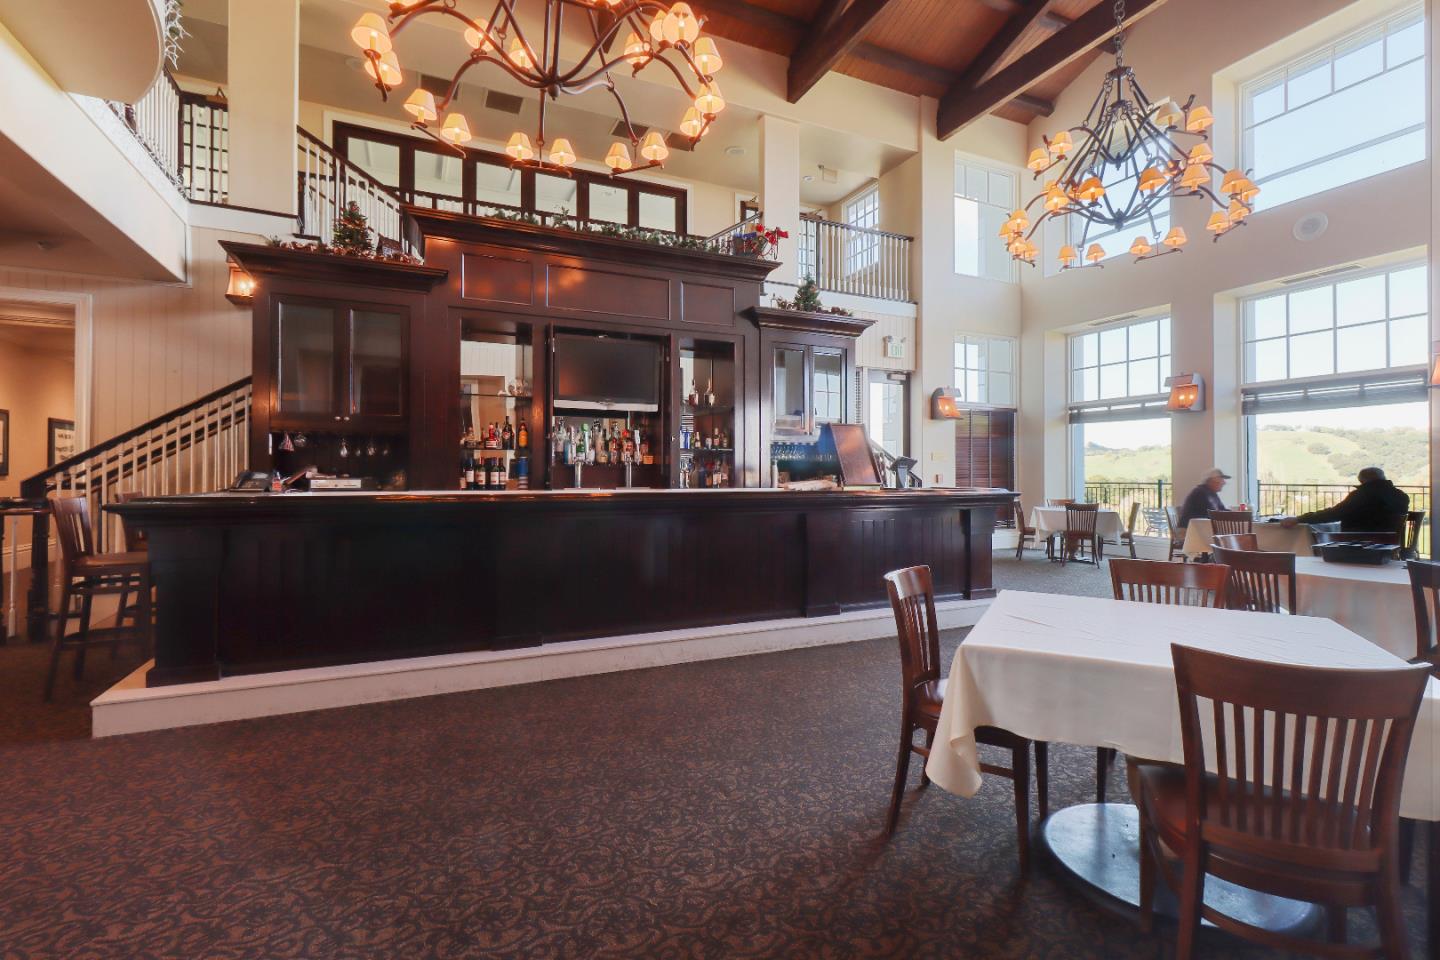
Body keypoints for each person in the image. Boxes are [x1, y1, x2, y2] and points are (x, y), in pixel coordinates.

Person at [1279, 467, 1410, 532]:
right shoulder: (1402, 496)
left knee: (1316, 540)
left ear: (1362, 481)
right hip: (1390, 544)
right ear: (1384, 478)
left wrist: (1299, 519)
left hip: (1359, 544)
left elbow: (1334, 514)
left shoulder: (1362, 495)